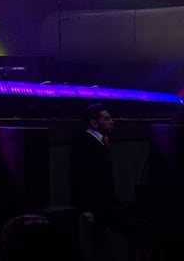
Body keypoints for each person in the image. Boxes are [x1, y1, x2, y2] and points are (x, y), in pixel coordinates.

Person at [71, 103, 150, 260]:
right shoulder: (85, 143)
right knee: (135, 229)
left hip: (108, 200)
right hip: (98, 203)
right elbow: (80, 177)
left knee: (142, 225)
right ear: (94, 123)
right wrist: (85, 208)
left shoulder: (99, 141)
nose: (112, 121)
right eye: (106, 119)